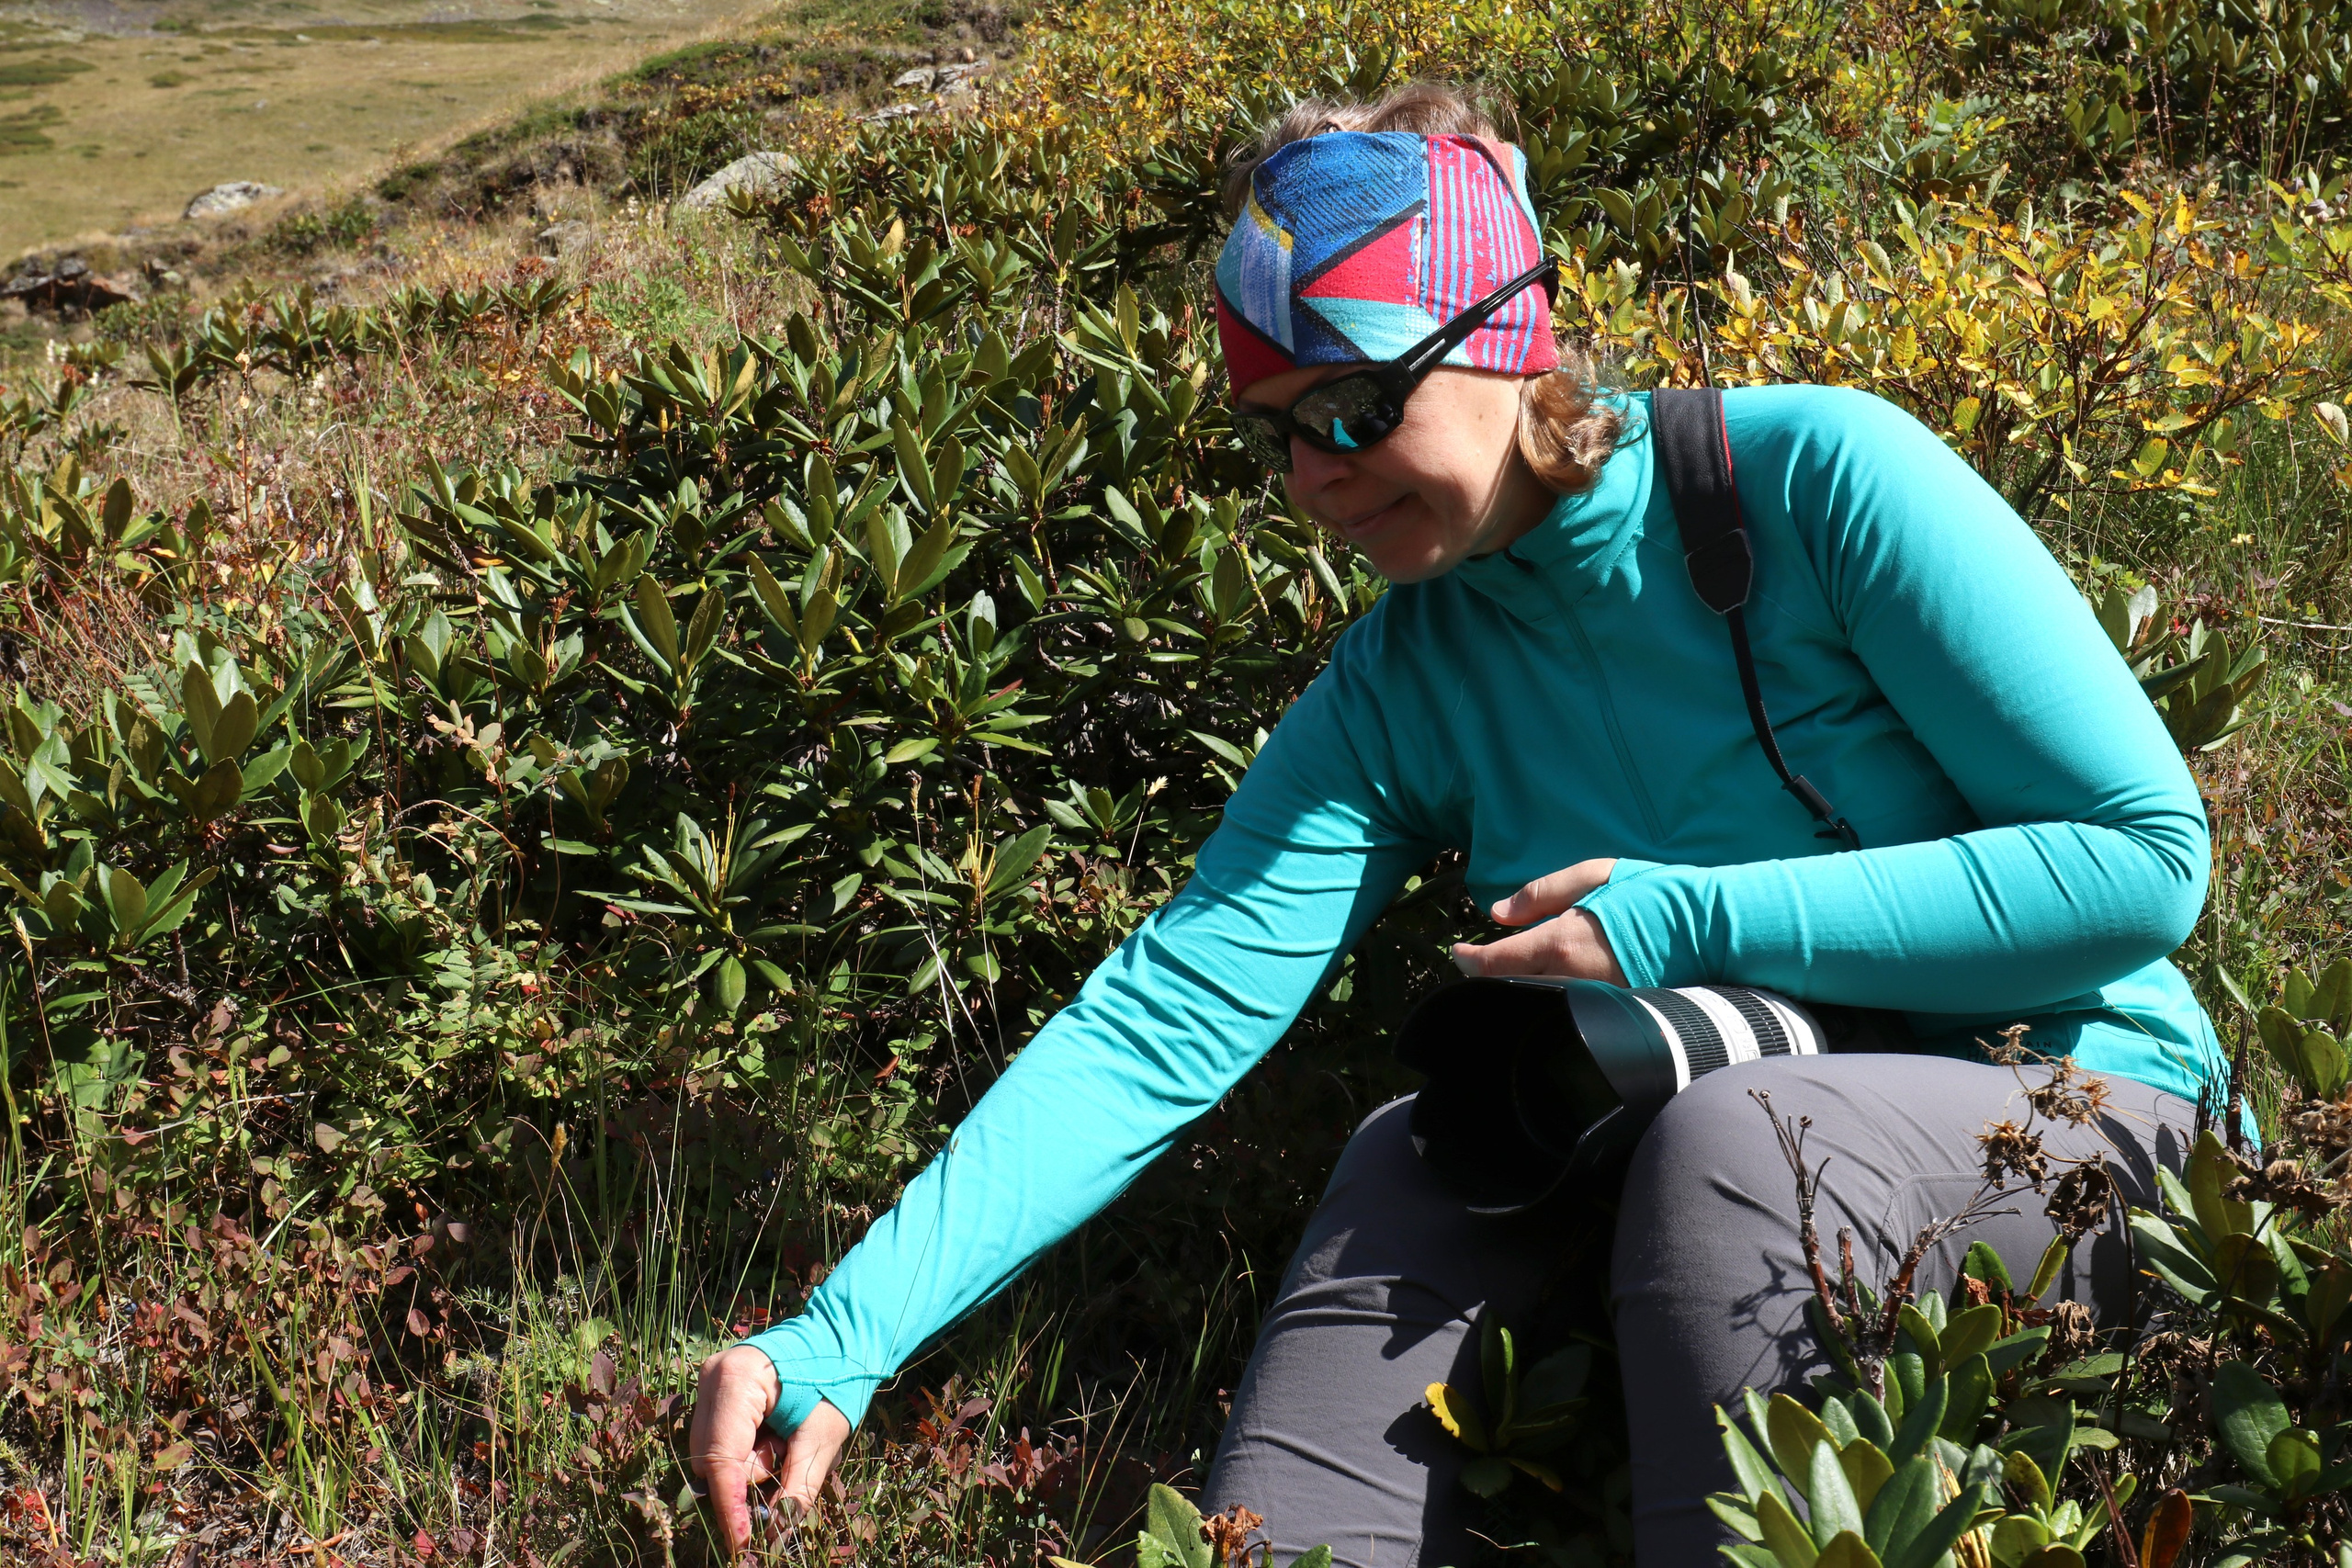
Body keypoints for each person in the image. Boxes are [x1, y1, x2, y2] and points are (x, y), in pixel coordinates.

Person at [690, 85, 2222, 1563]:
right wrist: (844, 1331)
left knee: (1734, 1144)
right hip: (1703, 1135)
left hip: (2085, 1122)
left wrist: (1683, 918)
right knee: (1413, 1158)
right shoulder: (1398, 683)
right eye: (1275, 429)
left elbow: (2146, 862)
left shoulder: (1813, 481)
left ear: (1507, 335)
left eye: (1355, 405)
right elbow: (1167, 1013)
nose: (1314, 477)